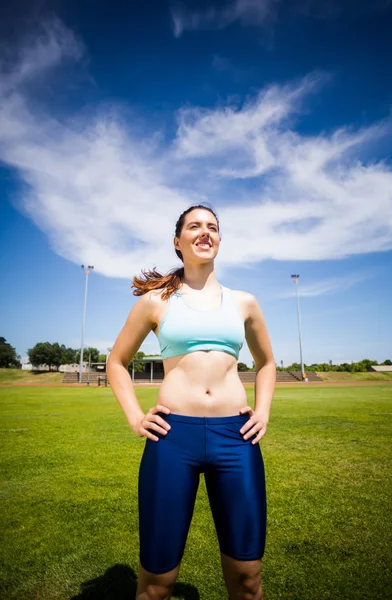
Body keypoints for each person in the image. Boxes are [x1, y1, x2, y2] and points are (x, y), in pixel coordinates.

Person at [107, 204, 276, 600]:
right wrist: (135, 417)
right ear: (177, 242)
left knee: (248, 579)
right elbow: (116, 362)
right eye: (195, 226)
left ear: (219, 240)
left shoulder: (244, 303)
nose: (205, 232)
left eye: (212, 227)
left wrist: (263, 411)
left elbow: (266, 363)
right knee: (156, 585)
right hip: (172, 439)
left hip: (236, 440)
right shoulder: (156, 301)